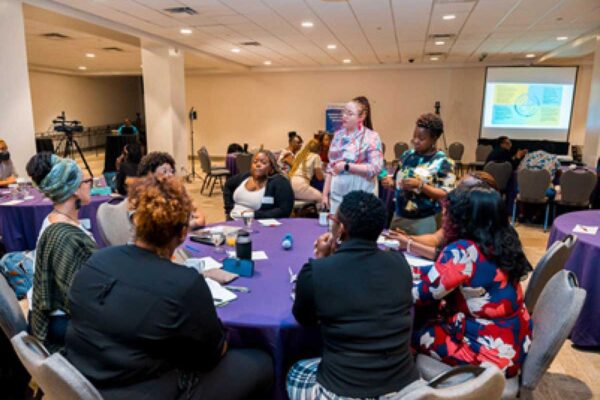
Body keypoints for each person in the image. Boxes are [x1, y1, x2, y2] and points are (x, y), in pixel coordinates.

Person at [65, 176, 273, 400]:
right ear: (183, 233)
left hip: (81, 381)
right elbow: (212, 355)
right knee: (260, 362)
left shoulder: (96, 260)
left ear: (135, 221)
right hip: (144, 390)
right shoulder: (184, 283)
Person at [288, 191, 421, 399]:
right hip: (405, 388)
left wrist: (322, 259)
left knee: (295, 370)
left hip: (344, 389)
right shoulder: (400, 263)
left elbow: (304, 319)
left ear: (341, 229)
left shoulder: (317, 271)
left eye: (334, 219)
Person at [412, 185, 533, 377]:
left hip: (486, 355)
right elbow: (452, 275)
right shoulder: (503, 240)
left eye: (448, 214)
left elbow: (419, 295)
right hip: (515, 344)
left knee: (407, 329)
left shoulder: (463, 251)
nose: (445, 218)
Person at [25, 153, 96, 352]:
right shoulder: (64, 235)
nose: (90, 183)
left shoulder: (56, 219)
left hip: (53, 314)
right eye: (86, 180)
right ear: (73, 189)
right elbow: (79, 296)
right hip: (59, 322)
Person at [386, 171, 498, 260]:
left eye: (461, 189)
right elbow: (436, 238)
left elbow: (451, 258)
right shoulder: (459, 215)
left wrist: (409, 244)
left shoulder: (487, 228)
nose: (455, 192)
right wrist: (407, 238)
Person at [383, 113, 455, 235]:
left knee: (419, 252)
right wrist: (390, 183)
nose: (416, 141)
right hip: (399, 215)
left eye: (421, 139)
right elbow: (397, 181)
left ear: (434, 138)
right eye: (414, 137)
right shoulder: (407, 155)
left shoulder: (444, 162)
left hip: (425, 220)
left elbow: (445, 194)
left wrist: (421, 186)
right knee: (394, 252)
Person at [322, 96, 384, 214]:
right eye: (344, 112)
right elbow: (331, 167)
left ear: (362, 116)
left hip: (361, 195)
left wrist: (347, 166)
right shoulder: (337, 136)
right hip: (337, 194)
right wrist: (325, 194)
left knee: (357, 229)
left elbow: (376, 168)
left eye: (349, 113)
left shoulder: (372, 137)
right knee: (336, 228)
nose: (344, 116)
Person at [138, 151, 206, 229]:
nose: (170, 175)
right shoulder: (145, 200)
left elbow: (200, 217)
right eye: (165, 171)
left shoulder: (179, 192)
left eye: (171, 171)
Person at [223, 150, 294, 220]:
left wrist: (255, 215)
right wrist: (229, 208)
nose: (258, 165)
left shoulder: (280, 182)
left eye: (263, 163)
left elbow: (284, 210)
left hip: (258, 224)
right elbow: (228, 185)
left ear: (271, 168)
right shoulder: (245, 176)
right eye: (255, 162)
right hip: (233, 220)